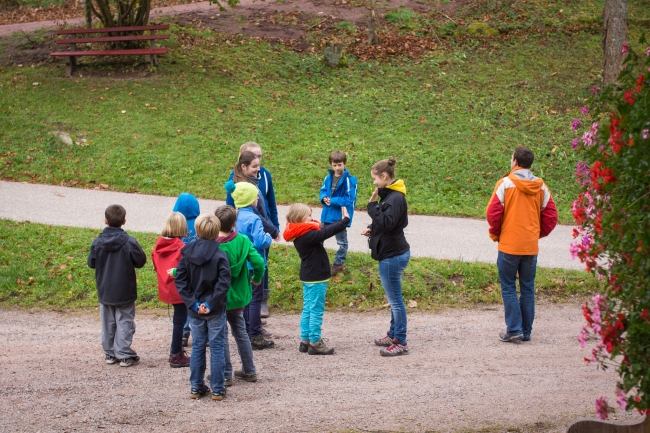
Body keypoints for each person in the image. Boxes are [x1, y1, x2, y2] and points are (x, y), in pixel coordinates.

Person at [485, 146, 558, 343]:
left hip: (509, 245)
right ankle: (526, 331)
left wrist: (496, 234)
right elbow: (551, 216)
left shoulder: (505, 184)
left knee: (508, 287)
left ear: (515, 162)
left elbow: (493, 213)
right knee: (527, 288)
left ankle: (514, 329)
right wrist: (536, 234)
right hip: (530, 246)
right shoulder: (541, 187)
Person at [175, 213, 231, 401]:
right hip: (214, 309)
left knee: (198, 346)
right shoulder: (220, 255)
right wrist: (210, 303)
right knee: (216, 347)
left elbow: (181, 281)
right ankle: (217, 388)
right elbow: (223, 283)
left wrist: (193, 303)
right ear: (217, 232)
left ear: (196, 231)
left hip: (195, 309)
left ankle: (196, 386)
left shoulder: (186, 254)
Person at [283, 203, 349, 355]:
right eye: (309, 216)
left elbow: (323, 230)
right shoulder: (306, 236)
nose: (312, 218)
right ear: (300, 218)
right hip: (316, 277)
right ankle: (315, 342)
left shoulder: (301, 233)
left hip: (308, 276)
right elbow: (326, 232)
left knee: (308, 308)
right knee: (316, 310)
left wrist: (340, 221)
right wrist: (344, 221)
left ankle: (305, 340)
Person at [361, 158, 411, 357]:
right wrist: (372, 229)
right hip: (391, 253)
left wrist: (372, 205)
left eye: (375, 179)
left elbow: (389, 222)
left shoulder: (396, 198)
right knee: (393, 300)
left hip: (393, 256)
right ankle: (393, 334)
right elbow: (386, 222)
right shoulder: (390, 196)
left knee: (396, 301)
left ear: (384, 176)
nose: (374, 183)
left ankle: (401, 341)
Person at [87, 204, 147, 367]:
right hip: (124, 290)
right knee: (124, 321)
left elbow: (91, 263)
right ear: (124, 221)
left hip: (105, 289)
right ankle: (124, 352)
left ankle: (110, 352)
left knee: (108, 323)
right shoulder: (129, 242)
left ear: (105, 221)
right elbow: (140, 261)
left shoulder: (97, 242)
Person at [226, 142, 279, 319]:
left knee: (262, 262)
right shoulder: (235, 181)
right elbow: (230, 207)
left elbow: (271, 202)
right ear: (244, 161)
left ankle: (260, 303)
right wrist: (271, 231)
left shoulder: (264, 175)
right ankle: (249, 316)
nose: (259, 164)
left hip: (264, 227)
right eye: (255, 159)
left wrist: (275, 226)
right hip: (252, 229)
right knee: (252, 265)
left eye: (260, 157)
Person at [214, 205, 265, 384]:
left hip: (218, 298)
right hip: (239, 297)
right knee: (241, 332)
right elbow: (259, 263)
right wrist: (257, 279)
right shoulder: (243, 240)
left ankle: (226, 374)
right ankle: (249, 370)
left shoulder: (212, 244)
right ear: (234, 222)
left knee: (221, 334)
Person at [224, 180, 275, 350]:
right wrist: (268, 237)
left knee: (245, 299)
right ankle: (255, 334)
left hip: (240, 264)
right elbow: (260, 241)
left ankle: (245, 331)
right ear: (251, 200)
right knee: (255, 300)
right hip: (254, 265)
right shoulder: (254, 218)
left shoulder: (235, 216)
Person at [151, 212, 190, 368]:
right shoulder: (182, 248)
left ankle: (177, 351)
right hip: (180, 289)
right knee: (180, 321)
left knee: (178, 320)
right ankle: (176, 353)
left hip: (166, 288)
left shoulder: (158, 246)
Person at [319, 150, 357, 276]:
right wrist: (323, 197)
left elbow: (349, 198)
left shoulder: (349, 180)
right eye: (334, 165)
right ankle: (319, 262)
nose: (337, 168)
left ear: (344, 164)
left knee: (342, 242)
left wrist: (332, 201)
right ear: (331, 165)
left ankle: (338, 263)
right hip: (326, 215)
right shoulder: (328, 177)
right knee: (319, 239)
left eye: (340, 165)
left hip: (340, 217)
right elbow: (323, 190)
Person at [173, 192, 201, 347]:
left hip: (182, 268)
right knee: (197, 298)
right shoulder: (199, 223)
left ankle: (184, 332)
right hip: (197, 268)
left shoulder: (177, 224)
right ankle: (202, 331)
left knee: (185, 300)